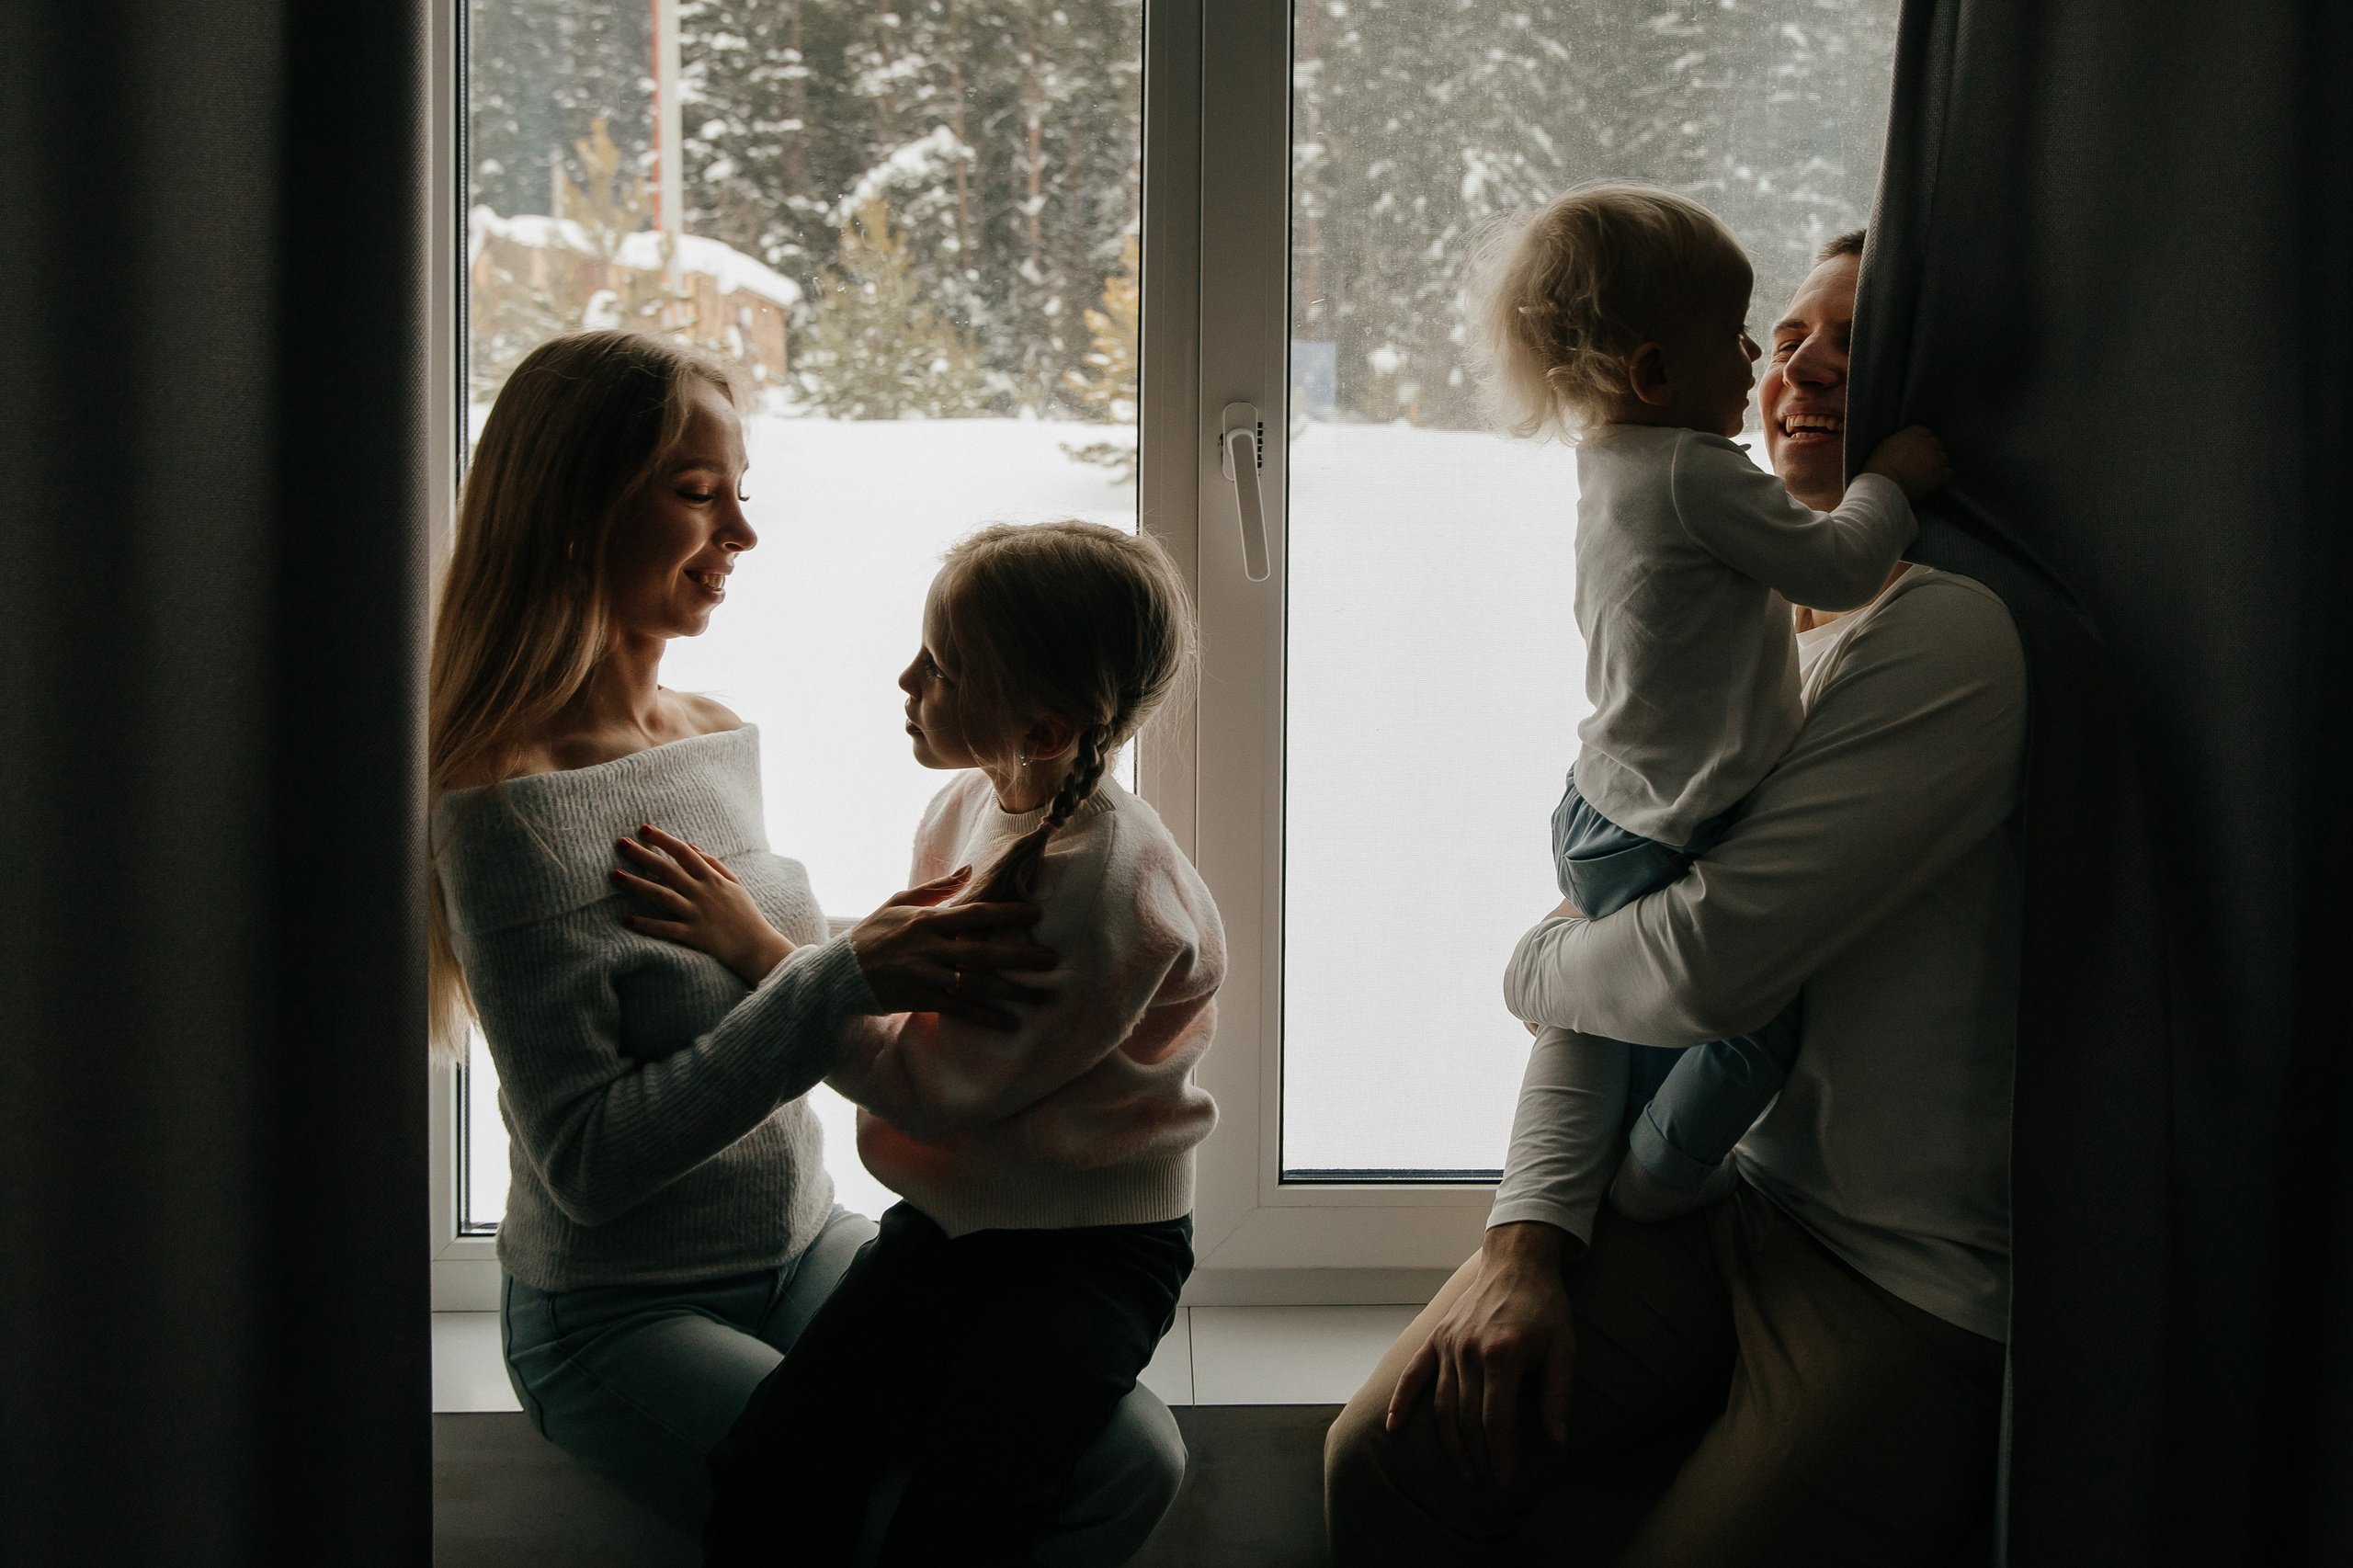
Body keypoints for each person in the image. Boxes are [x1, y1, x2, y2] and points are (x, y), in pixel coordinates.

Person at [428, 331, 1188, 1562]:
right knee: (893, 1513)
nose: (741, 534)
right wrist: (836, 972)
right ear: (572, 511)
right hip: (618, 1313)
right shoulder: (503, 810)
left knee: (1132, 1461)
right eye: (695, 494)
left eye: (742, 494)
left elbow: (756, 973)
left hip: (803, 1244)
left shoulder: (712, 733)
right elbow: (589, 1161)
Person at [1324, 229, 2024, 1564]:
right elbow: (1622, 940)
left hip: (1896, 1277)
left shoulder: (1946, 635)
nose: (1797, 365)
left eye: (1851, 339)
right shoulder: (1732, 632)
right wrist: (1526, 1238)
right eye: (1792, 334)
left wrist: (1531, 967)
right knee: (1387, 1464)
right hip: (1729, 1201)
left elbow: (1693, 971)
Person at [620, 520, 1223, 1568]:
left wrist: (771, 957)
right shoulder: (971, 801)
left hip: (1080, 1254)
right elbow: (917, 979)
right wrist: (817, 955)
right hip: (952, 1223)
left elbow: (931, 1086)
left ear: (1038, 725)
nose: (906, 677)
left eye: (941, 667)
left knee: (964, 1520)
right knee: (776, 1461)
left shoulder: (1099, 889)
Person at [1467, 181, 1949, 1221]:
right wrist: (1894, 480)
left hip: (1606, 806)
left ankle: (1594, 1200)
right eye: (1756, 336)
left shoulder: (1618, 465)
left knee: (1611, 1016)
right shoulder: (1698, 475)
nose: (1772, 365)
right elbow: (1839, 565)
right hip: (1668, 817)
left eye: (1849, 345)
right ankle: (1655, 1190)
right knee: (1749, 1032)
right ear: (1651, 371)